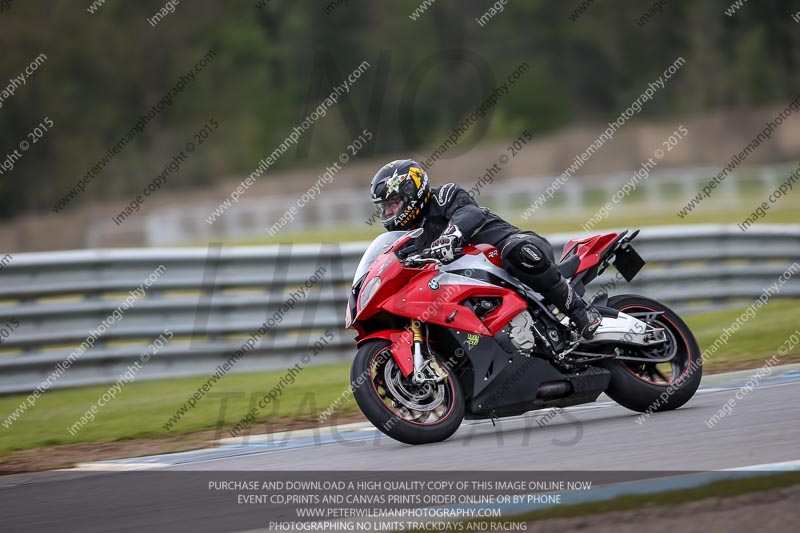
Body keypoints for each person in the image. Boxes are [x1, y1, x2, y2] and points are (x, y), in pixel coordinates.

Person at [370, 159, 602, 339]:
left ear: (412, 192)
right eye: (385, 208)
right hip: (472, 284)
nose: (388, 213)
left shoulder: (444, 196)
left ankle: (582, 313)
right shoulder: (410, 239)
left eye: (393, 204)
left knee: (515, 250)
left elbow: (470, 213)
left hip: (515, 248)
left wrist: (450, 237)